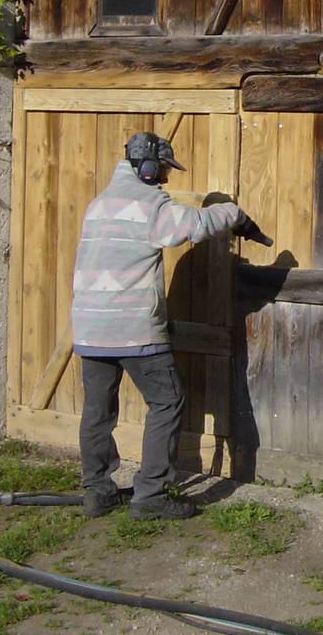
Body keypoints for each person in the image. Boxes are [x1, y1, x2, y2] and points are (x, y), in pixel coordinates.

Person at [71, 131, 267, 519]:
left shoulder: (99, 204)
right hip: (133, 329)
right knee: (167, 400)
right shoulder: (148, 205)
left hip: (90, 330)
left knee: (97, 412)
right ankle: (151, 495)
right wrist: (234, 213)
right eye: (162, 170)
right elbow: (194, 225)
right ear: (145, 167)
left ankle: (97, 491)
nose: (165, 179)